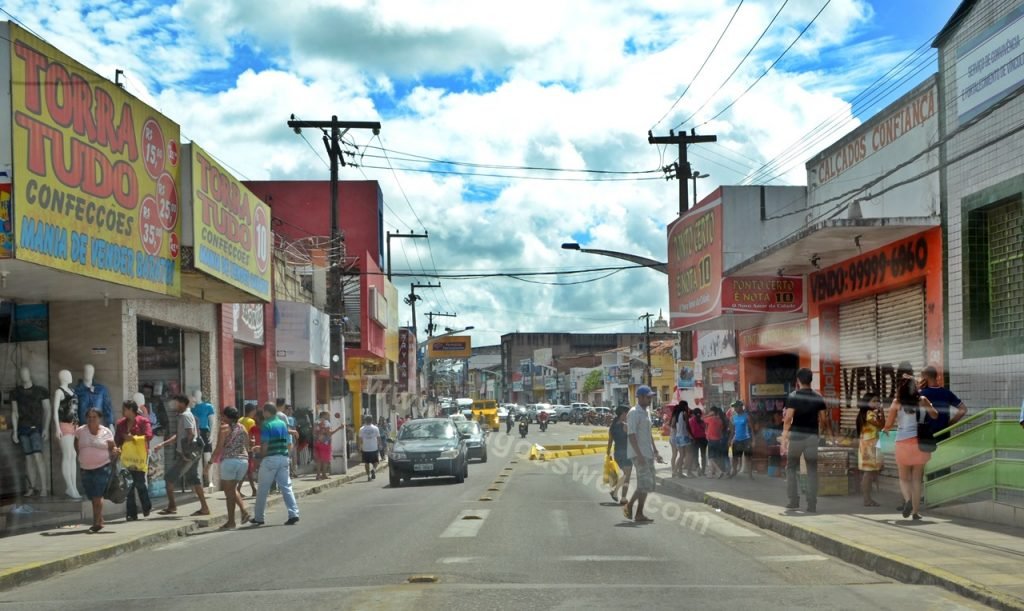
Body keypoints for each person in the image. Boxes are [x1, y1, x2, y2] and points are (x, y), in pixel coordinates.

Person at [883, 364, 938, 520]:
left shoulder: (896, 402)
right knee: (916, 479)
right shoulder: (922, 400)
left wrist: (886, 429)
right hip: (919, 443)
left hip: (902, 443)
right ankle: (915, 512)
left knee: (903, 478)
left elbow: (888, 424)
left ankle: (907, 500)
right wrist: (929, 406)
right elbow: (934, 415)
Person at [781, 368, 831, 513]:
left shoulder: (793, 396)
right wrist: (821, 434)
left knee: (791, 468)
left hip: (796, 437)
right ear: (811, 380)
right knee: (812, 470)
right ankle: (811, 504)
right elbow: (823, 419)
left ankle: (793, 501)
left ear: (798, 380)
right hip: (812, 437)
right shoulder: (818, 396)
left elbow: (788, 418)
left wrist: (784, 436)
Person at [153, 394, 210, 516]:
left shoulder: (185, 416)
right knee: (194, 480)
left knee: (169, 478)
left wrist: (186, 453)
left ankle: (172, 506)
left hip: (186, 455)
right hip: (191, 454)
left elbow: (190, 434)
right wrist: (162, 444)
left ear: (183, 403)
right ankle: (204, 507)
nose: (173, 405)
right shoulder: (185, 416)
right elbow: (179, 436)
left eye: (176, 402)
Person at [251, 403, 300, 526]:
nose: (262, 414)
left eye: (263, 412)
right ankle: (293, 513)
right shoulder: (282, 423)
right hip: (283, 457)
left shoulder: (267, 424)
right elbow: (286, 441)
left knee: (262, 489)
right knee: (286, 487)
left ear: (267, 412)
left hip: (270, 459)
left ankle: (259, 517)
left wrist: (259, 452)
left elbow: (266, 445)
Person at [74, 408, 118, 533]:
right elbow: (76, 445)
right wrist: (82, 456)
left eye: (94, 417)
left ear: (100, 418)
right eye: (89, 417)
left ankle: (96, 522)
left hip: (102, 467)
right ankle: (100, 519)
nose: (91, 419)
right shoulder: (80, 431)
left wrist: (115, 451)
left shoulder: (106, 432)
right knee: (92, 495)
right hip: (85, 468)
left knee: (98, 495)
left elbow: (113, 447)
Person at [623, 386, 662, 523]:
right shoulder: (634, 413)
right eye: (647, 397)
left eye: (650, 397)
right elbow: (631, 434)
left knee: (647, 484)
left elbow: (648, 433)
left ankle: (637, 511)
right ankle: (632, 508)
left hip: (648, 452)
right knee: (644, 483)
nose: (650, 399)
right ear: (639, 397)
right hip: (638, 453)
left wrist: (656, 451)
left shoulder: (647, 412)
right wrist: (639, 454)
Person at [212, 406, 251, 529]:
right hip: (243, 461)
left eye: (223, 416)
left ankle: (232, 521)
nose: (221, 418)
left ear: (227, 417)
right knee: (232, 489)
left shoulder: (224, 429)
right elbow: (247, 445)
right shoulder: (243, 427)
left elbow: (218, 448)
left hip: (229, 462)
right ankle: (243, 512)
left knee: (228, 494)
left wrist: (209, 463)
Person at [114, 400, 153, 521]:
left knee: (140, 482)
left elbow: (149, 435)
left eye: (124, 409)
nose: (122, 411)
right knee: (128, 484)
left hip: (139, 457)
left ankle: (146, 506)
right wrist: (117, 449)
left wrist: (133, 438)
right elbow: (117, 439)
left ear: (131, 409)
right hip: (126, 457)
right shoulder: (121, 423)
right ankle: (131, 513)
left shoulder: (142, 421)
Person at [856, 393, 883, 507]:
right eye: (874, 401)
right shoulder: (869, 414)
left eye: (878, 401)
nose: (877, 403)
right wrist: (882, 412)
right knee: (868, 473)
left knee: (870, 472)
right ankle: (867, 499)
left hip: (870, 444)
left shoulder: (865, 414)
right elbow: (881, 425)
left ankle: (868, 498)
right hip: (869, 446)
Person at [606, 405, 632, 504]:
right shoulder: (625, 425)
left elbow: (610, 441)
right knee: (626, 476)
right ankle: (619, 495)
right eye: (627, 413)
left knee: (625, 475)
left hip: (617, 453)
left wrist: (608, 453)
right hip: (626, 453)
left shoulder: (612, 426)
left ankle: (619, 495)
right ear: (623, 413)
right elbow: (633, 439)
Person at [313, 411, 344, 480]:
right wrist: (339, 428)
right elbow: (329, 433)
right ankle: (324, 474)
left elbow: (314, 432)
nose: (329, 415)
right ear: (324, 415)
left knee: (318, 460)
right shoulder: (326, 423)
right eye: (328, 414)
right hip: (325, 443)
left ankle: (318, 475)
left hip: (316, 442)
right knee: (325, 460)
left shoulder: (316, 422)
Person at [729, 400, 754, 479]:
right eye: (734, 407)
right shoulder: (733, 417)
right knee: (735, 457)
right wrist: (730, 440)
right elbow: (733, 430)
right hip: (737, 440)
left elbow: (751, 429)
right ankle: (734, 471)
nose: (735, 409)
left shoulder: (747, 416)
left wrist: (753, 440)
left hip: (746, 440)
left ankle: (750, 474)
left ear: (741, 406)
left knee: (748, 458)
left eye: (736, 407)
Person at [705, 406, 727, 478]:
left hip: (711, 440)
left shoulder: (710, 419)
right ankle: (712, 473)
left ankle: (719, 471)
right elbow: (720, 431)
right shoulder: (720, 420)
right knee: (715, 457)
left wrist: (709, 414)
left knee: (711, 458)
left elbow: (702, 419)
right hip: (718, 440)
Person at [668, 403, 690, 477]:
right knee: (684, 455)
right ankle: (676, 471)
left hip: (677, 436)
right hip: (682, 436)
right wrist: (691, 434)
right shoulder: (684, 413)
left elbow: (672, 426)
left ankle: (678, 472)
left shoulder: (676, 415)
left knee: (680, 455)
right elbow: (687, 425)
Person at [358, 416, 381, 481]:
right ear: (372, 420)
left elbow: (360, 439)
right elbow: (378, 437)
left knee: (366, 463)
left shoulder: (361, 429)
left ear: (365, 421)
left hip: (365, 448)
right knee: (376, 462)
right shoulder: (375, 428)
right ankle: (373, 470)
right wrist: (380, 445)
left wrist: (359, 447)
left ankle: (368, 475)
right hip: (374, 448)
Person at [688, 408, 708, 476]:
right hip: (703, 439)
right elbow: (706, 429)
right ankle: (703, 471)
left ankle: (698, 468)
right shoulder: (703, 421)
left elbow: (690, 431)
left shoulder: (691, 421)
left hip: (694, 440)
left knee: (695, 455)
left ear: (693, 414)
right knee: (703, 456)